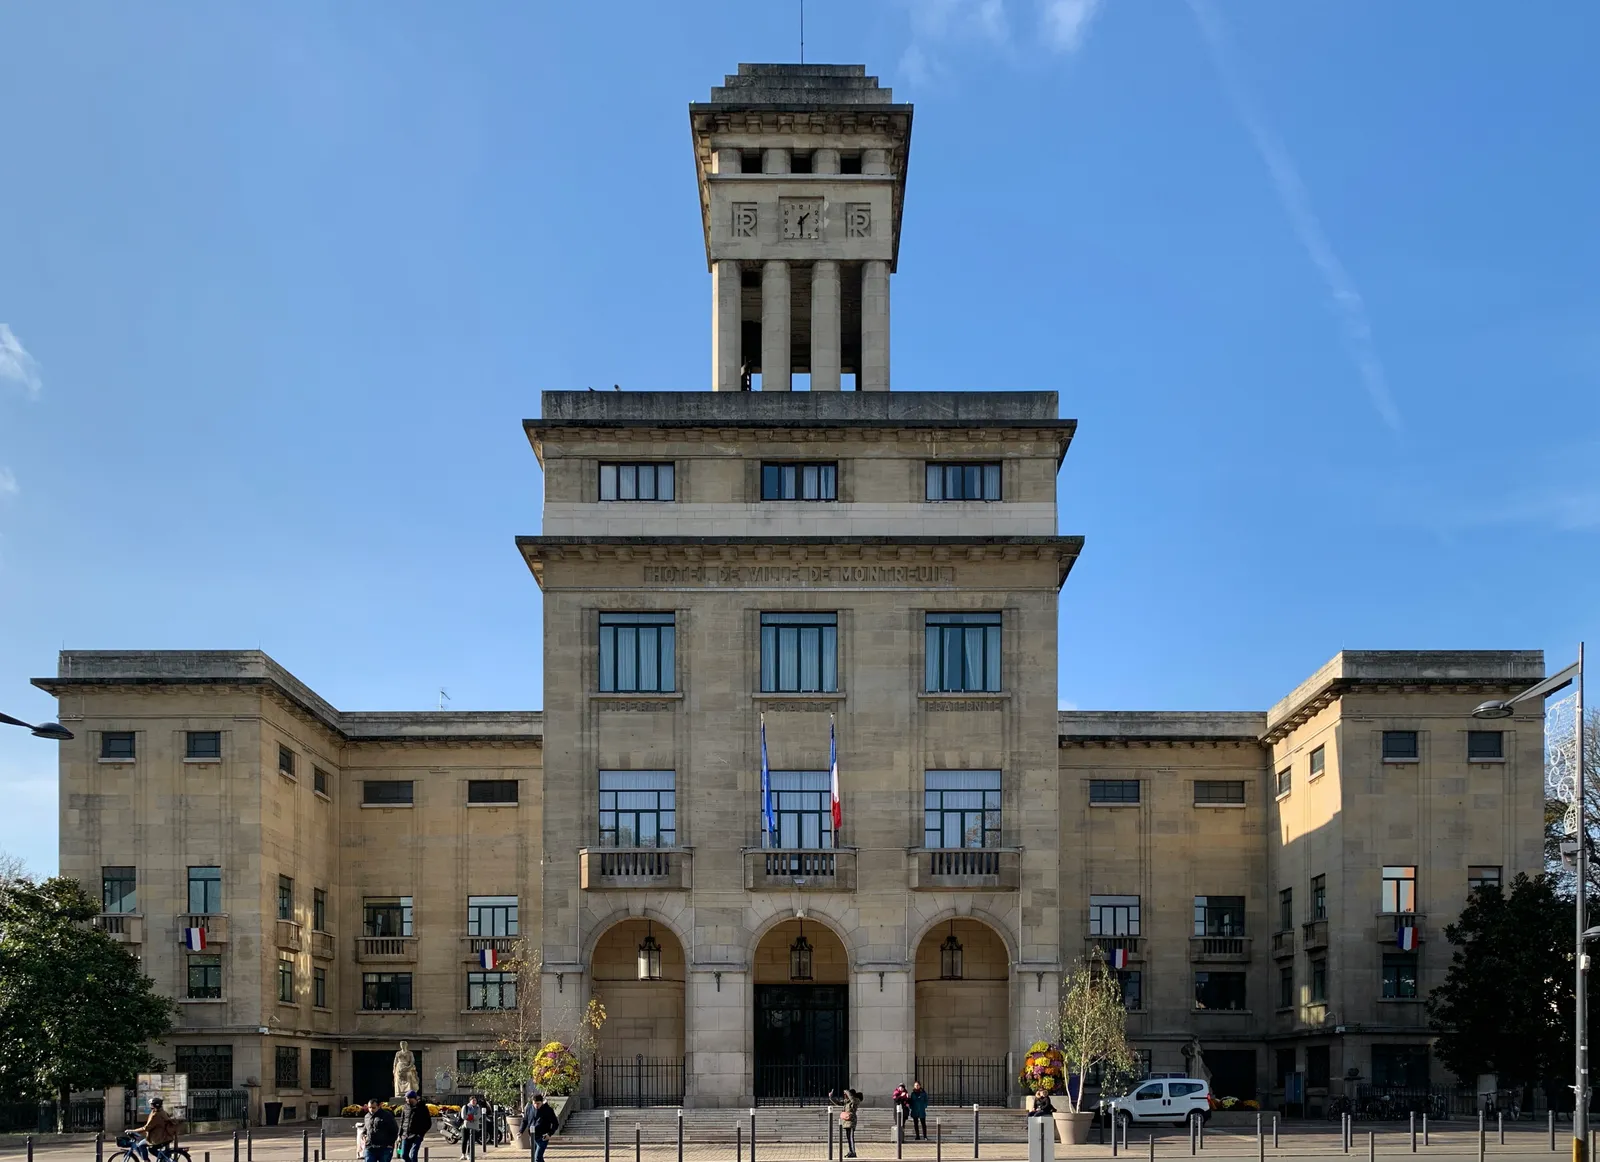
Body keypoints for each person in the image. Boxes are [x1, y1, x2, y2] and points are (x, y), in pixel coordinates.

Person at [138, 1098, 182, 1162]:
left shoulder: (156, 1115)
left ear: (155, 1105)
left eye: (151, 1105)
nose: (150, 1106)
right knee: (151, 1149)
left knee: (141, 1145)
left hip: (159, 1138)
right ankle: (164, 1158)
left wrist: (132, 1131)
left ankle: (150, 1160)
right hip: (164, 1136)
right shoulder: (162, 1112)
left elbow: (146, 1128)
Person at [521, 1093, 559, 1162]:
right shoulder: (529, 1108)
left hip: (543, 1137)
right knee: (537, 1157)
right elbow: (525, 1121)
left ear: (542, 1102)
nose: (536, 1105)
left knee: (537, 1157)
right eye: (534, 1103)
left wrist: (549, 1134)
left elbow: (555, 1123)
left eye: (538, 1103)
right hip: (532, 1137)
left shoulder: (548, 1110)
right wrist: (520, 1131)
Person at [827, 1089, 861, 1159]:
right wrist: (831, 1097)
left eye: (846, 1094)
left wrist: (847, 1091)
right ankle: (850, 1151)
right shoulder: (846, 1102)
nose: (845, 1096)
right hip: (846, 1121)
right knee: (848, 1138)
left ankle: (853, 1152)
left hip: (851, 1121)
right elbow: (838, 1103)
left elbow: (853, 1101)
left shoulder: (855, 1100)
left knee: (851, 1138)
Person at [399, 1091, 433, 1162]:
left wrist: (421, 1134)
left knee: (413, 1154)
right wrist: (400, 1134)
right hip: (405, 1135)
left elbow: (428, 1123)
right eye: (406, 1098)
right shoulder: (405, 1107)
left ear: (414, 1099)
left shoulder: (422, 1108)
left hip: (416, 1135)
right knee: (403, 1155)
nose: (406, 1100)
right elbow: (402, 1121)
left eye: (408, 1098)